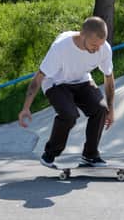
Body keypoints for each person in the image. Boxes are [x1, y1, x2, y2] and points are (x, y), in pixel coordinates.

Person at [18, 16, 115, 168]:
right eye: (94, 45)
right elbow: (38, 78)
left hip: (82, 80)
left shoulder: (104, 49)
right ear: (82, 35)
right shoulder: (61, 47)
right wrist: (26, 108)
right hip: (56, 83)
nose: (97, 49)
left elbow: (109, 78)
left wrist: (111, 109)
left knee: (101, 109)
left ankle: (90, 155)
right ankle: (49, 154)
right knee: (69, 115)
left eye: (100, 45)